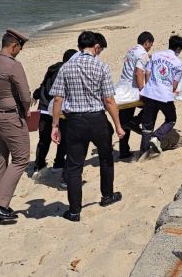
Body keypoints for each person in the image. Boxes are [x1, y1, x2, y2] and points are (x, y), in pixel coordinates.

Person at [50, 31, 126, 222]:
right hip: (97, 119)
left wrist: (55, 125)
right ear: (96, 46)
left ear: (79, 47)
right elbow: (109, 100)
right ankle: (107, 195)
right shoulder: (101, 66)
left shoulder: (66, 67)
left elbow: (58, 98)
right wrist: (118, 125)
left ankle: (74, 211)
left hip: (75, 121)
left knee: (74, 166)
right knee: (106, 158)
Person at [0, 29, 32, 222]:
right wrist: (26, 111)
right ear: (14, 46)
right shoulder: (13, 65)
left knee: (0, 159)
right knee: (21, 159)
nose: (20, 51)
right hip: (10, 117)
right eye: (20, 47)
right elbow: (25, 95)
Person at [32, 49, 78, 180]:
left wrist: (35, 95)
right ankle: (58, 164)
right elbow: (61, 94)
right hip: (58, 111)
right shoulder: (66, 71)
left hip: (44, 108)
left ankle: (38, 166)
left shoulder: (52, 69)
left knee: (44, 140)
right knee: (63, 138)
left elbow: (43, 85)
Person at [139, 35, 182, 156]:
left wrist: (150, 87)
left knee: (147, 126)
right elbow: (174, 85)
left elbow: (147, 73)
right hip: (164, 96)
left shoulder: (156, 55)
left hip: (149, 93)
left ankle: (144, 154)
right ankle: (157, 136)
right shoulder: (178, 63)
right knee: (171, 119)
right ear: (178, 48)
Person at [116, 31, 154, 161]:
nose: (150, 48)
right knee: (152, 105)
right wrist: (142, 90)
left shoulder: (131, 50)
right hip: (131, 90)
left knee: (124, 121)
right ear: (147, 42)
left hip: (121, 90)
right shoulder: (142, 54)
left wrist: (150, 56)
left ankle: (124, 151)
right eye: (150, 45)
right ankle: (135, 121)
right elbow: (139, 72)